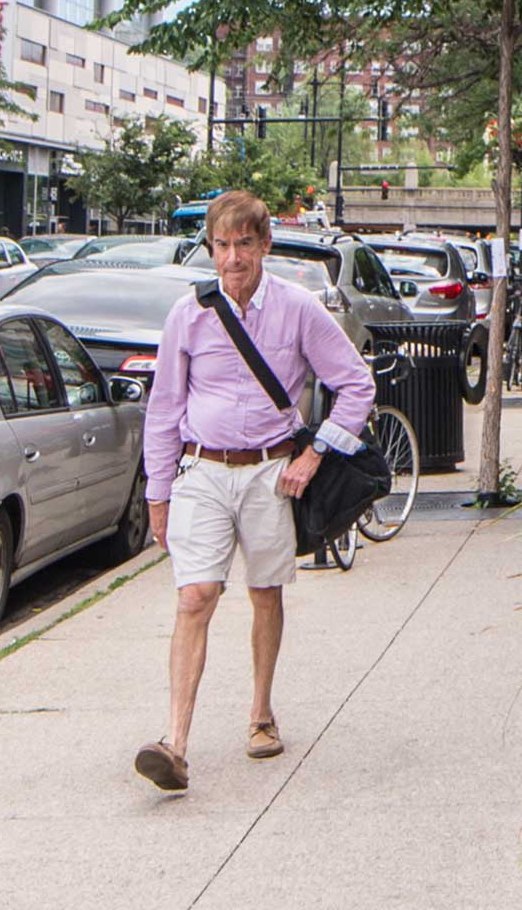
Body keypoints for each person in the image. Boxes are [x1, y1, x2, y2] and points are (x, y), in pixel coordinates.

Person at [132, 189, 370, 792]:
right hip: (203, 470)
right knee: (195, 596)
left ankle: (261, 714)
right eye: (221, 245)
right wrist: (157, 493)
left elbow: (356, 385)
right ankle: (175, 744)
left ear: (264, 246)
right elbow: (164, 410)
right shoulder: (188, 314)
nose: (232, 258)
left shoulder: (297, 309)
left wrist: (315, 455)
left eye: (243, 244)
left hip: (271, 471)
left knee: (265, 593)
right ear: (209, 249)